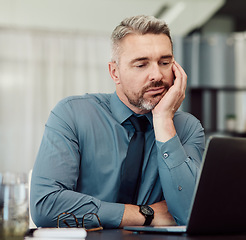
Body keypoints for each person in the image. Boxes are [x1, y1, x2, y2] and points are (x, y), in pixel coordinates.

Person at [30, 15, 205, 229]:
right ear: (115, 72)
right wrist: (146, 214)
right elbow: (46, 207)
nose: (157, 75)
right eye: (141, 64)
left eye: (165, 62)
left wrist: (163, 120)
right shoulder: (72, 114)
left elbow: (191, 215)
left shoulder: (188, 128)